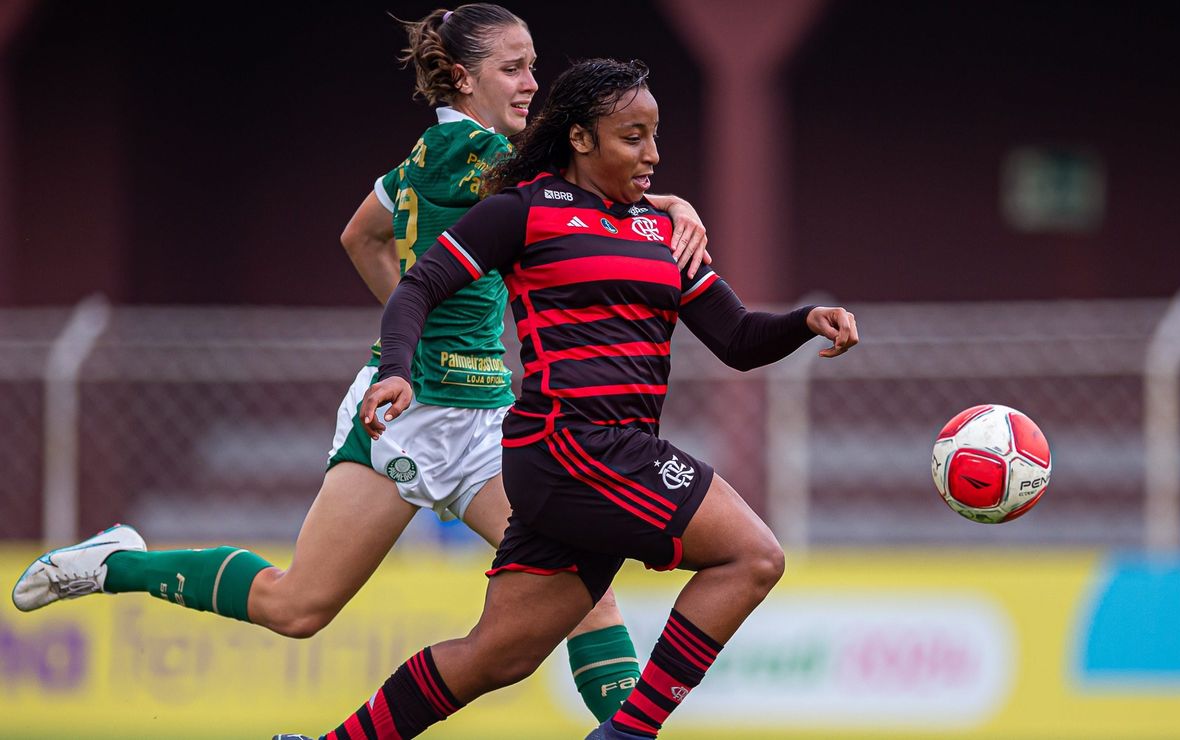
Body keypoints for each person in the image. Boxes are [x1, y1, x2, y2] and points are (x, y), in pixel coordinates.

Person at [11, 5, 712, 724]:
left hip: (487, 428)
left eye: (533, 64)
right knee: (298, 606)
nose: (533, 81)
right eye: (514, 68)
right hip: (405, 421)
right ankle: (116, 562)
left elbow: (362, 233)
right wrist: (671, 201)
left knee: (585, 592)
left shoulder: (431, 156)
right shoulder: (477, 156)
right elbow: (585, 180)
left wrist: (417, 322)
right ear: (465, 80)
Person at [288, 57, 858, 740]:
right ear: (582, 138)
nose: (653, 154)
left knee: (498, 654)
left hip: (581, 457)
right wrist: (400, 368)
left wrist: (803, 323)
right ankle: (626, 733)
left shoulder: (661, 231)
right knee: (753, 556)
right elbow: (418, 287)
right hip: (577, 444)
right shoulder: (522, 212)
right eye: (633, 137)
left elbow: (736, 338)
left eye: (654, 135)